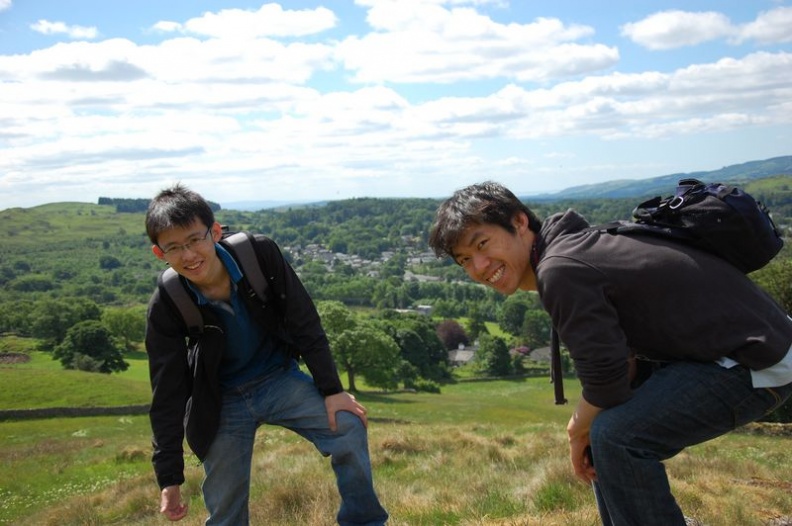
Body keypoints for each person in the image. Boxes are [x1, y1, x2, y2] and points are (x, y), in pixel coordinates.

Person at [428, 181, 792, 526]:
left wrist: (576, 430)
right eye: (464, 260)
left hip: (757, 360)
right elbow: (621, 366)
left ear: (519, 222)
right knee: (606, 432)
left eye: (482, 244)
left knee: (617, 437)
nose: (478, 267)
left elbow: (607, 380)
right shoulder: (574, 246)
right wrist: (588, 426)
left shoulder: (561, 268)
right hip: (749, 346)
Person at [144, 184, 388, 526]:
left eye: (195, 240)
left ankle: (363, 522)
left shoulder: (257, 254)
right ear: (160, 253)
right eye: (174, 248)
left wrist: (332, 391)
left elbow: (303, 320)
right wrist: (168, 478)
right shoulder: (168, 301)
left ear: (214, 232)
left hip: (278, 377)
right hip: (221, 400)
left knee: (347, 424)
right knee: (226, 509)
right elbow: (167, 392)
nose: (189, 255)